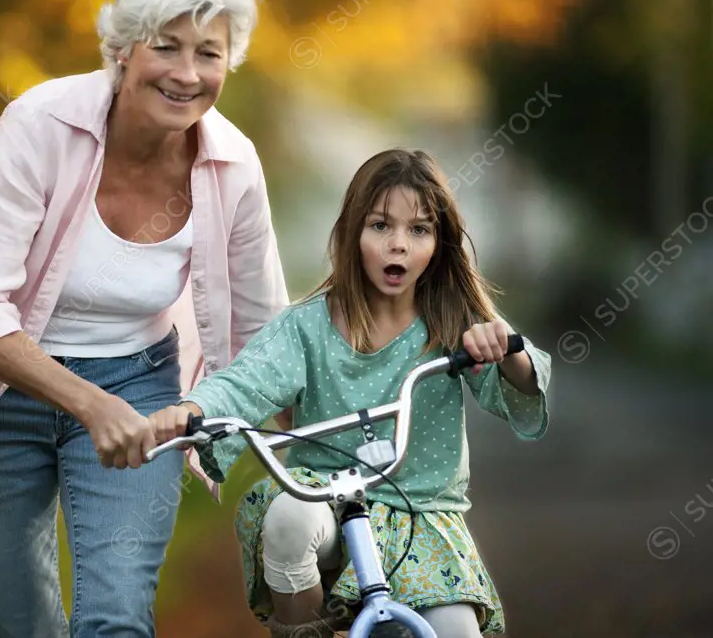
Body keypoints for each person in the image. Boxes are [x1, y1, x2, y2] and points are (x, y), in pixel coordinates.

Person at [0, 0, 289, 636]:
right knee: (23, 624)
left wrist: (304, 450)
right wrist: (90, 405)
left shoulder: (233, 166)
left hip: (139, 386)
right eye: (165, 45)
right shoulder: (41, 124)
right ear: (121, 48)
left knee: (116, 619)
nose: (186, 72)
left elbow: (266, 334)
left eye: (209, 52)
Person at [143, 149, 553, 637]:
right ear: (352, 233)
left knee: (456, 630)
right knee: (288, 522)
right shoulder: (307, 327)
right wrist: (192, 410)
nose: (398, 244)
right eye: (380, 226)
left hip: (421, 516)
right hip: (327, 502)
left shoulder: (451, 323)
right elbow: (244, 383)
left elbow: (526, 382)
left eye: (419, 230)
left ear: (439, 245)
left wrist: (507, 351)